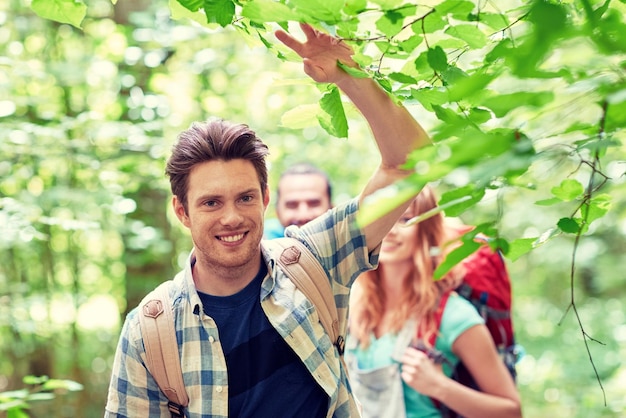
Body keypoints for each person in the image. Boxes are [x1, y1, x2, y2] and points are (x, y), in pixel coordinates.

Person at [104, 22, 432, 417]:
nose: (231, 217)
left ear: (265, 199)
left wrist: (349, 76)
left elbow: (410, 164)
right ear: (182, 212)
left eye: (245, 198)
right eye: (210, 203)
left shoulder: (314, 260)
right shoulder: (150, 331)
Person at [346, 186, 522, 418]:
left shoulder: (453, 315)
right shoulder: (353, 303)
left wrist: (440, 386)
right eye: (382, 218)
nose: (390, 230)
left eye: (406, 220)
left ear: (427, 231)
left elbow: (511, 411)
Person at [264, 162, 332, 239]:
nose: (303, 216)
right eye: (292, 205)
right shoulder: (263, 239)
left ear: (331, 209)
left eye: (313, 204)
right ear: (277, 212)